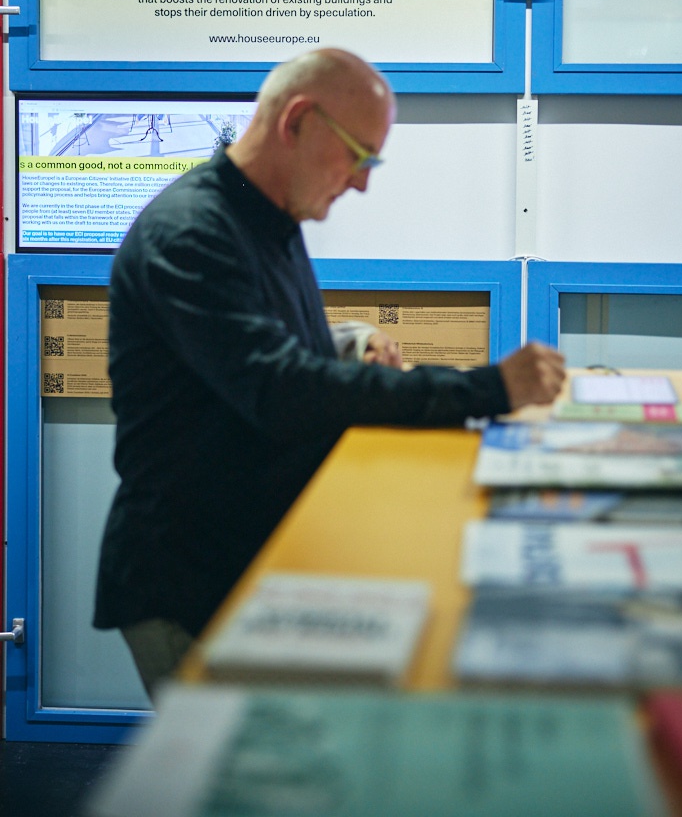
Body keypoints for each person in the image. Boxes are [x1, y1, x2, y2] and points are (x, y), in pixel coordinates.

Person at [94, 47, 565, 698]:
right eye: (358, 155)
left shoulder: (265, 218)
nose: (362, 183)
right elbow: (279, 391)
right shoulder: (191, 233)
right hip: (189, 580)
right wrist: (489, 387)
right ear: (297, 121)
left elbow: (244, 348)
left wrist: (345, 343)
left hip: (250, 557)